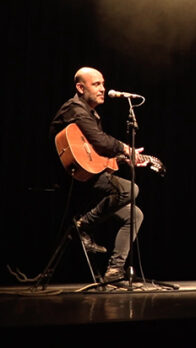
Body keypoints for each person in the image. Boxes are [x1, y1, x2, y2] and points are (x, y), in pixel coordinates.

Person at [49, 67, 147, 282]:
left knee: (135, 215)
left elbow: (96, 154)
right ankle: (82, 226)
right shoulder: (74, 109)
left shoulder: (89, 113)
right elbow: (100, 142)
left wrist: (122, 158)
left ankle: (114, 271)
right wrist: (124, 147)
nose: (103, 89)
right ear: (80, 87)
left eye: (103, 84)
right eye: (96, 84)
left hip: (88, 179)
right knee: (130, 188)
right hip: (72, 182)